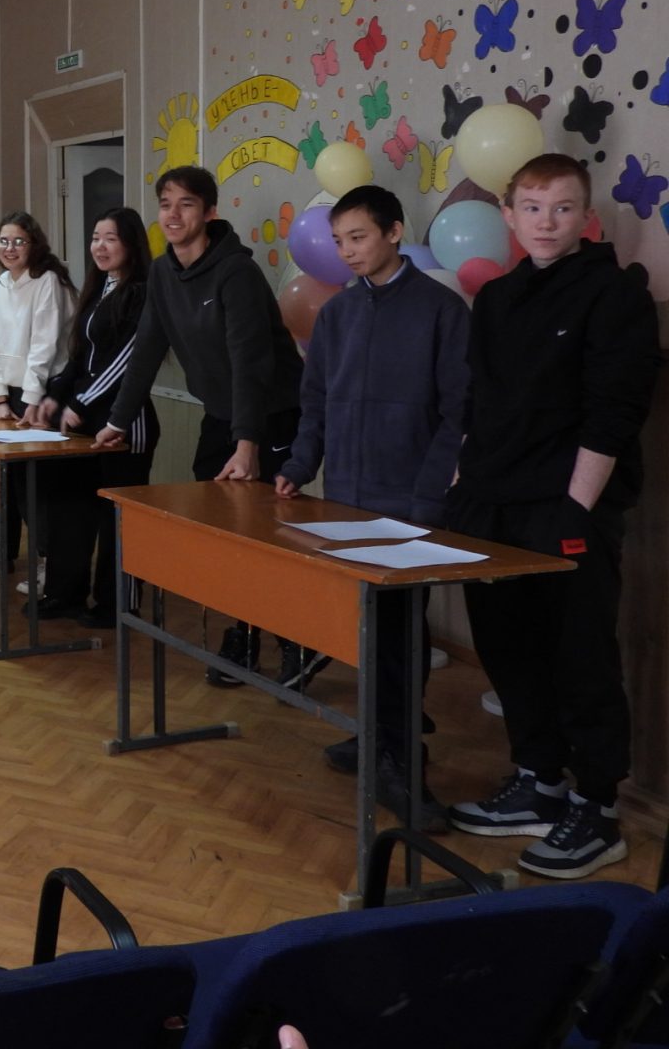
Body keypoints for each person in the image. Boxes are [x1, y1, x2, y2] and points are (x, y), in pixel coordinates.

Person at [445, 154, 659, 879]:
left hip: (564, 507)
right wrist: (461, 482)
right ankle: (539, 781)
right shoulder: (497, 298)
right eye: (532, 208)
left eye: (562, 208)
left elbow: (614, 412)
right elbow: (479, 402)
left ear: (585, 217)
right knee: (508, 647)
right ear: (509, 216)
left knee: (579, 657)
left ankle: (596, 808)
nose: (546, 222)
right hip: (489, 502)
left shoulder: (614, 293)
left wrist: (575, 509)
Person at [274, 185, 468, 830]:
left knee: (402, 633)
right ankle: (377, 736)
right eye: (339, 241)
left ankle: (401, 759)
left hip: (409, 501)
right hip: (346, 500)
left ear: (393, 231)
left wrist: (427, 498)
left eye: (358, 237)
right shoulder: (336, 314)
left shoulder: (441, 310)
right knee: (365, 627)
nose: (348, 252)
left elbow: (457, 415)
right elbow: (316, 404)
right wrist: (298, 467)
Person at [96, 165, 310, 687]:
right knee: (223, 534)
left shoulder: (236, 273)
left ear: (210, 212)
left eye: (186, 204)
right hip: (221, 415)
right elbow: (147, 349)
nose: (173, 215)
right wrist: (117, 420)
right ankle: (245, 635)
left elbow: (250, 362)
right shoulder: (163, 273)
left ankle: (297, 642)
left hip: (270, 416)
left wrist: (247, 444)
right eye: (165, 204)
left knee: (269, 534)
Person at [34, 207, 159, 629]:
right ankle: (64, 593)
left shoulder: (142, 292)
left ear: (130, 244)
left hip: (124, 426)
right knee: (70, 508)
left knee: (116, 519)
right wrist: (55, 397)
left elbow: (127, 361)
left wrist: (81, 403)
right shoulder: (100, 287)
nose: (100, 247)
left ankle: (117, 606)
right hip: (83, 425)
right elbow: (80, 357)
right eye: (95, 238)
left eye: (110, 239)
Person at [0, 212, 74, 570]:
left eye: (19, 241)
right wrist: (0, 396)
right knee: (20, 484)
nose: (10, 248)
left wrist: (31, 402)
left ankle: (52, 566)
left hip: (45, 392)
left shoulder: (47, 281)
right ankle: (43, 561)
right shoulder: (2, 283)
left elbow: (44, 346)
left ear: (33, 244)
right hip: (16, 393)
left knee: (42, 486)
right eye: (4, 241)